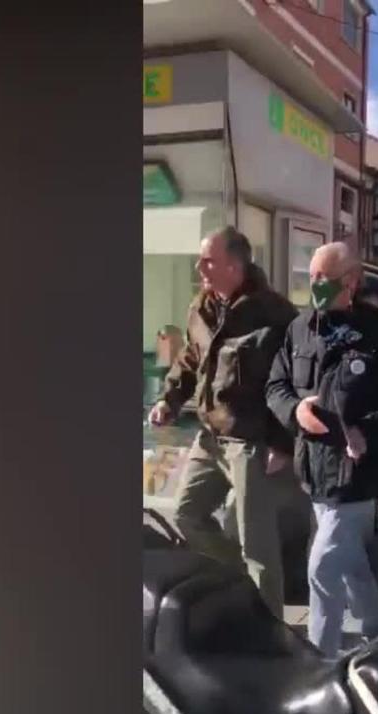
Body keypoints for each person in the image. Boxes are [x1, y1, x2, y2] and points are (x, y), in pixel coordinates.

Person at [266, 242, 378, 658]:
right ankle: (377, 630)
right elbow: (276, 386)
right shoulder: (299, 328)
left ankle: (320, 661)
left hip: (358, 471)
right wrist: (296, 411)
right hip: (313, 467)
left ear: (351, 281)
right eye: (311, 276)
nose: (315, 285)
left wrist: (365, 430)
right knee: (349, 559)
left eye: (323, 278)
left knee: (323, 567)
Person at [149, 226, 300, 618]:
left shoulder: (275, 315)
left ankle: (270, 628)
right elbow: (190, 360)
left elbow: (294, 383)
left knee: (258, 545)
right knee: (187, 514)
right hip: (210, 435)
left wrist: (283, 443)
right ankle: (237, 583)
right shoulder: (202, 307)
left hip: (251, 442)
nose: (199, 267)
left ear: (234, 266)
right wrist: (169, 399)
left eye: (208, 261)